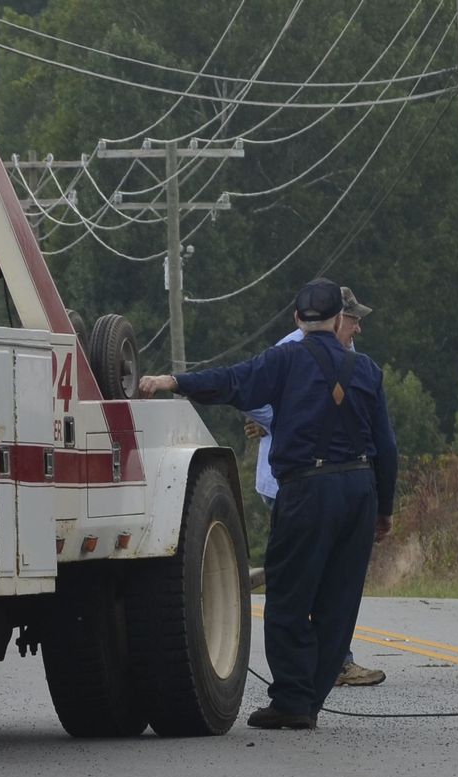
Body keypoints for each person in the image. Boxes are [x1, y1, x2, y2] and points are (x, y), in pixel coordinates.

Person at [139, 278, 397, 729]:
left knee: (288, 596)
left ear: (298, 319)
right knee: (340, 599)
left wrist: (174, 381)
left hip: (307, 489)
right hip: (359, 489)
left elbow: (231, 381)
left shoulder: (285, 360)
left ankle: (294, 701)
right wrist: (385, 509)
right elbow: (387, 447)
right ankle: (309, 699)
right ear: (339, 318)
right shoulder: (368, 371)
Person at [241, 289, 386, 689]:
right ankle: (322, 666)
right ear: (333, 317)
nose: (357, 325)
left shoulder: (350, 353)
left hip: (323, 477)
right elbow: (250, 394)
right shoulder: (292, 348)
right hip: (293, 479)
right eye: (352, 317)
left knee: (325, 576)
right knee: (310, 578)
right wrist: (282, 420)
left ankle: (331, 660)